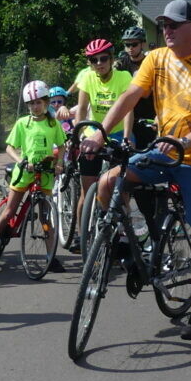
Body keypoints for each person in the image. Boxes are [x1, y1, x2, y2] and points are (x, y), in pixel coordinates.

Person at [83, 0, 191, 340]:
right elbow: (130, 96)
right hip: (163, 153)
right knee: (109, 184)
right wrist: (100, 131)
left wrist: (186, 142)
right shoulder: (155, 58)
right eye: (164, 24)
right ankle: (127, 250)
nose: (167, 30)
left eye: (174, 24)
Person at [0, 81, 65, 268]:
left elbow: (61, 146)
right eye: (31, 104)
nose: (35, 107)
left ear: (46, 102)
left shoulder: (53, 124)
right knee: (11, 209)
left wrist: (59, 162)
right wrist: (20, 160)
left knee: (45, 216)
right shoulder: (23, 123)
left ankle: (50, 256)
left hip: (44, 172)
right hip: (25, 172)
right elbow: (9, 147)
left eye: (38, 103)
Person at [69, 37, 133, 252]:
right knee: (86, 193)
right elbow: (81, 109)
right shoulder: (87, 77)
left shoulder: (124, 76)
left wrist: (125, 137)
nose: (99, 63)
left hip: (115, 133)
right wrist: (78, 134)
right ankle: (81, 234)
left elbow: (128, 110)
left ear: (111, 58)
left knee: (119, 186)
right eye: (93, 60)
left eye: (103, 58)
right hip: (92, 132)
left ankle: (124, 231)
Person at [116, 26, 157, 149]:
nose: (130, 48)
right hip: (126, 116)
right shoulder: (121, 63)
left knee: (144, 155)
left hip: (146, 116)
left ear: (142, 44)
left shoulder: (149, 63)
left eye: (134, 44)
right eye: (127, 45)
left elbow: (145, 93)